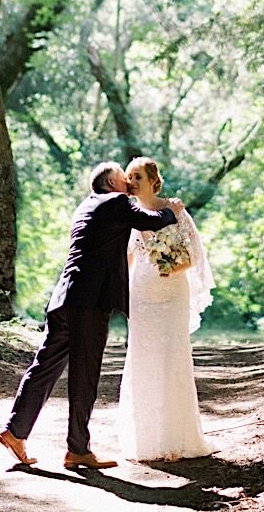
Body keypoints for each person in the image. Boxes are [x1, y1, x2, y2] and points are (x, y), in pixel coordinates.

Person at [0, 162, 183, 469]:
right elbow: (149, 220)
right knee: (85, 374)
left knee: (44, 366)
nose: (129, 184)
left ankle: (15, 431)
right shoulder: (115, 201)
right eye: (125, 180)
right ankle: (78, 449)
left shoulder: (86, 206)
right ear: (111, 183)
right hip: (89, 301)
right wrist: (172, 210)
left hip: (64, 298)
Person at [117, 158, 213, 462]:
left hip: (172, 293)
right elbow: (126, 259)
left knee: (172, 359)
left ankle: (177, 440)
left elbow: (193, 255)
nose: (132, 182)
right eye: (129, 177)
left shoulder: (174, 210)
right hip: (142, 295)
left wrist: (171, 267)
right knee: (143, 360)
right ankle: (146, 441)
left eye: (138, 176)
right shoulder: (128, 216)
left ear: (153, 180)